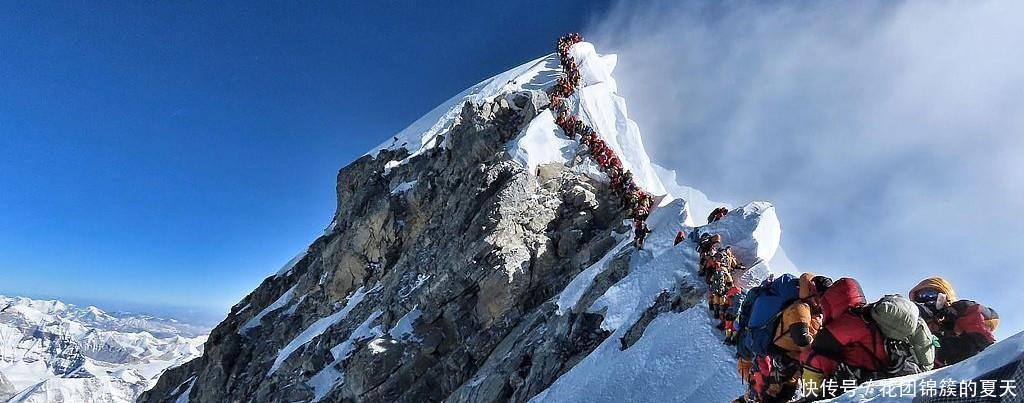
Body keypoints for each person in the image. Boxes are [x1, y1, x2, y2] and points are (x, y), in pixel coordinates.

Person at [800, 278, 889, 400]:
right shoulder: (864, 315)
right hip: (872, 373)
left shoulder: (849, 320)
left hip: (864, 378)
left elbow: (820, 344)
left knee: (811, 356)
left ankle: (812, 397)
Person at [909, 277, 999, 367]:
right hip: (932, 372)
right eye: (920, 296)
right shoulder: (916, 324)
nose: (925, 299)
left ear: (944, 296)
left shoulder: (960, 314)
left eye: (930, 294)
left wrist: (961, 310)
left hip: (971, 365)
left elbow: (992, 317)